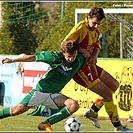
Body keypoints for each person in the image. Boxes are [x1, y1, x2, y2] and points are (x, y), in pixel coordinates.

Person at [61, 6, 132, 131]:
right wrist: (82, 50)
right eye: (94, 23)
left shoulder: (98, 29)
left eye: (98, 23)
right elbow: (64, 44)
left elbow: (97, 45)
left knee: (114, 85)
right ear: (88, 17)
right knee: (108, 93)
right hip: (80, 69)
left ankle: (93, 112)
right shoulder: (80, 28)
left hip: (90, 65)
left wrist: (94, 55)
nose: (96, 26)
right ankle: (118, 127)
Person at [0, 40, 86, 131]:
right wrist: (13, 60)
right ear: (63, 52)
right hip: (40, 91)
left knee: (73, 105)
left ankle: (46, 124)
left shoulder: (80, 60)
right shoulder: (55, 57)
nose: (71, 59)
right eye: (68, 56)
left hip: (54, 95)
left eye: (73, 56)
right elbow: (34, 57)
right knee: (16, 110)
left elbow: (91, 58)